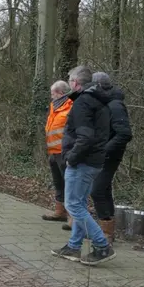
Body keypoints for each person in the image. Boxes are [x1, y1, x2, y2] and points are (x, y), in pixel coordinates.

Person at [51, 65, 115, 265]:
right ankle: (74, 246)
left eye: (70, 80)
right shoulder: (100, 101)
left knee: (73, 205)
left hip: (82, 162)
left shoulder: (84, 103)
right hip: (94, 161)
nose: (69, 83)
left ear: (76, 83)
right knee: (79, 203)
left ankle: (102, 246)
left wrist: (71, 157)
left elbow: (85, 136)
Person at [88, 72, 133, 243]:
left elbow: (124, 134)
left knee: (97, 190)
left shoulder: (115, 105)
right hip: (101, 154)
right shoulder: (104, 104)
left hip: (110, 156)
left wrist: (104, 150)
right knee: (104, 190)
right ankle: (106, 230)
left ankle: (106, 232)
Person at [42, 80, 74, 222]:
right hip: (53, 151)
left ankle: (72, 216)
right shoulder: (54, 107)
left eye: (52, 93)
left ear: (60, 93)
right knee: (58, 182)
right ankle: (60, 212)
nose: (51, 96)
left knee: (69, 183)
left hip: (64, 151)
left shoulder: (71, 106)